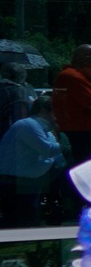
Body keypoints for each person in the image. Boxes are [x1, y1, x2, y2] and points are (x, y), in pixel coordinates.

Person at [0, 94, 65, 225]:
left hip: (28, 180)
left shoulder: (44, 129)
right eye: (57, 109)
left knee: (28, 216)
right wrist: (66, 144)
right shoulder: (28, 125)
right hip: (17, 181)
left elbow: (52, 154)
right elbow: (48, 150)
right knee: (22, 219)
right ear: (44, 110)